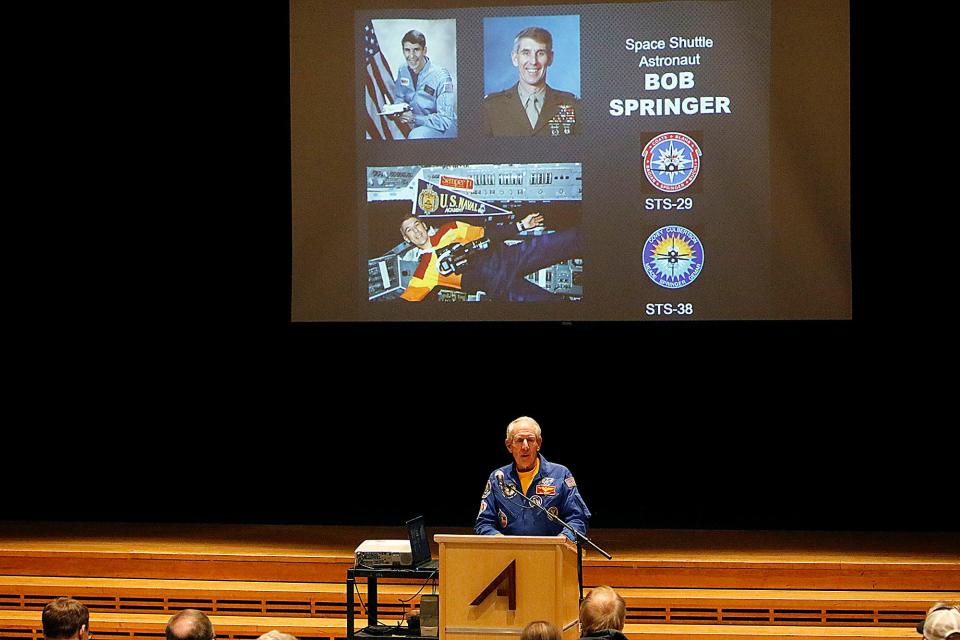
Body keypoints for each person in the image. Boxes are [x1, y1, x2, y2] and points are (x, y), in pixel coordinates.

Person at [398, 214, 581, 302]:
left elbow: (488, 234)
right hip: (501, 287)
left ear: (424, 224)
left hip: (511, 256)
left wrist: (521, 225)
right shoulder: (423, 273)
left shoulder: (451, 229)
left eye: (416, 225)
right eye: (409, 230)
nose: (416, 231)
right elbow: (403, 305)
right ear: (407, 239)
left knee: (572, 238)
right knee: (555, 306)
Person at [475, 416, 590, 539]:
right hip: (508, 555)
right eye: (519, 440)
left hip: (552, 553)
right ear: (509, 445)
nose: (525, 446)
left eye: (530, 440)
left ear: (538, 443)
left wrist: (562, 540)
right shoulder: (498, 478)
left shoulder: (560, 474)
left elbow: (578, 519)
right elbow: (484, 523)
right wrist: (500, 540)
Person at [483, 27, 582, 137]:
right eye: (526, 53)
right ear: (515, 58)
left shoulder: (573, 106)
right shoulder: (490, 107)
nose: (533, 61)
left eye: (540, 53)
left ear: (550, 58)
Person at [394, 30, 457, 139]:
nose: (411, 56)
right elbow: (400, 97)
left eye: (416, 50)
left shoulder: (441, 76)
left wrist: (414, 118)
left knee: (416, 135)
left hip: (444, 128)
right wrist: (398, 110)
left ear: (425, 50)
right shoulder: (402, 70)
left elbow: (445, 120)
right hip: (417, 124)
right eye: (407, 50)